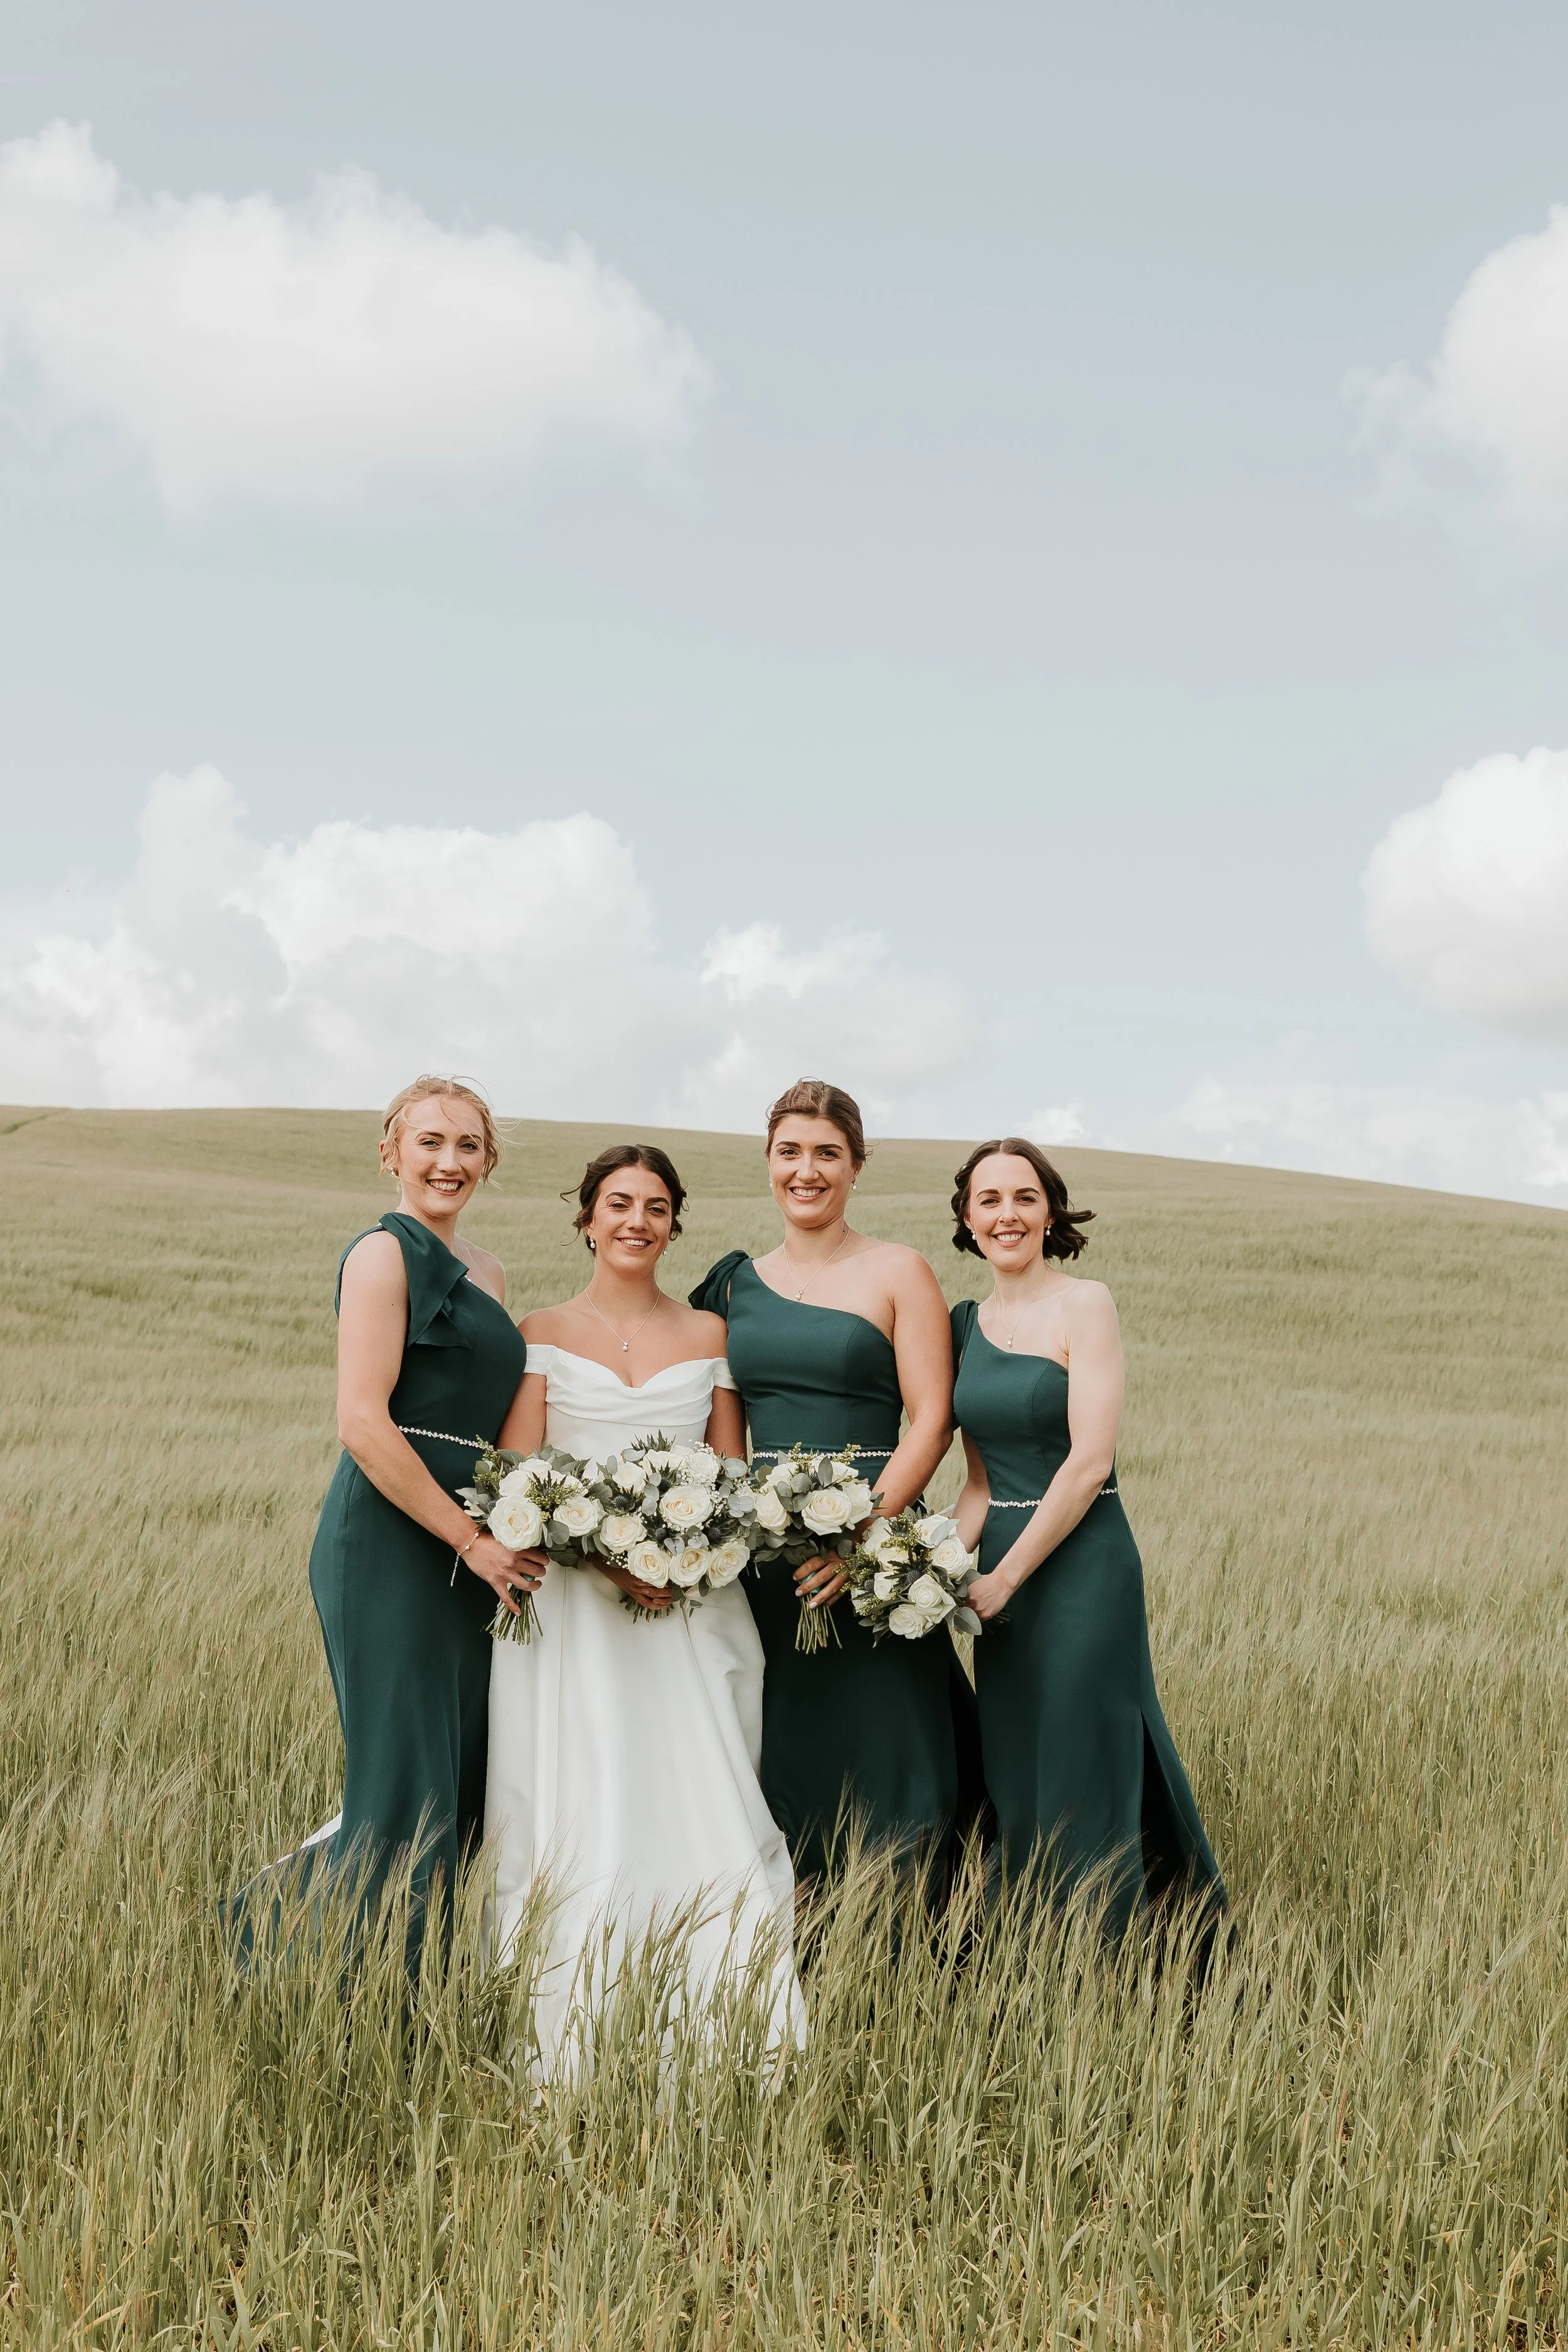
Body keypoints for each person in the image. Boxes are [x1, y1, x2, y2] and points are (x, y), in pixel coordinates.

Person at [484, 1143, 802, 2074]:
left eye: (655, 1206)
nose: (636, 1220)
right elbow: (516, 1476)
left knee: (698, 1784)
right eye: (617, 1203)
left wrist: (684, 1547)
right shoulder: (541, 1328)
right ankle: (572, 2006)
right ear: (585, 1217)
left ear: (674, 1223)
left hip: (690, 1609)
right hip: (576, 1615)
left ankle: (722, 2000)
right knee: (580, 1789)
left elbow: (732, 1476)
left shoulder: (710, 1336)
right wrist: (607, 1552)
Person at [233, 1078, 536, 1966]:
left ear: (488, 1160)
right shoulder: (380, 1254)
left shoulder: (489, 1271)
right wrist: (470, 1539)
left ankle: (405, 1972)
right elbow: (364, 1422)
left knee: (456, 1784)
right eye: (431, 1141)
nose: (450, 1161)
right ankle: (285, 1957)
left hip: (472, 1549)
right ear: (391, 1152)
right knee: (401, 1786)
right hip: (394, 1547)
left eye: (469, 1145)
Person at [690, 1078, 982, 1885]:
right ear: (768, 1161)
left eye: (827, 1153)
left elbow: (931, 1419)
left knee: (894, 1740)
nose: (806, 1170)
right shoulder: (734, 1285)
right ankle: (800, 1940)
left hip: (877, 1554)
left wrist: (864, 1535)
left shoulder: (898, 1271)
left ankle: (915, 1933)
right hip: (766, 1562)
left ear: (856, 1165)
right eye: (790, 1152)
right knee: (782, 1749)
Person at [949, 1136, 1225, 1934]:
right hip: (996, 1568)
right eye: (989, 1200)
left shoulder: (1084, 1303)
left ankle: (1113, 1953)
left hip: (1080, 1568)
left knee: (1082, 1756)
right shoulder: (965, 1322)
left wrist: (1005, 1581)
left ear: (1049, 1210)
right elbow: (977, 1484)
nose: (1007, 1214)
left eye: (1023, 1197)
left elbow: (1086, 1463)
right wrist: (924, 1570)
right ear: (966, 1218)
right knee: (1019, 1762)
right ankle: (1032, 1947)